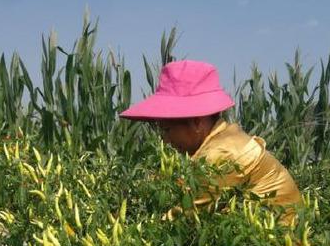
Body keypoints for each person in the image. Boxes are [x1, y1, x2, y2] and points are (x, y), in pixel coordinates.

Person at [119, 60, 301, 223]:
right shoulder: (224, 138)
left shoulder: (220, 154)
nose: (165, 140)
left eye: (167, 130)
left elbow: (186, 218)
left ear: (197, 122)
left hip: (286, 244)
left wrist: (137, 233)